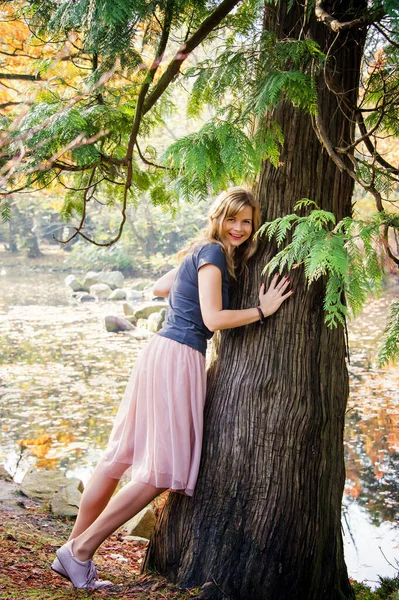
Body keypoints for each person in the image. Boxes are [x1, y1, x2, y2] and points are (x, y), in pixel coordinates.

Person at [51, 187, 293, 589]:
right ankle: (79, 551)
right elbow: (213, 319)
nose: (239, 227)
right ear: (218, 216)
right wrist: (261, 310)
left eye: (246, 221)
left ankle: (72, 550)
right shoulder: (213, 254)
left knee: (120, 455)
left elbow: (160, 287)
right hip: (179, 355)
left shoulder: (202, 251)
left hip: (160, 350)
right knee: (164, 470)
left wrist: (192, 277)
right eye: (232, 218)